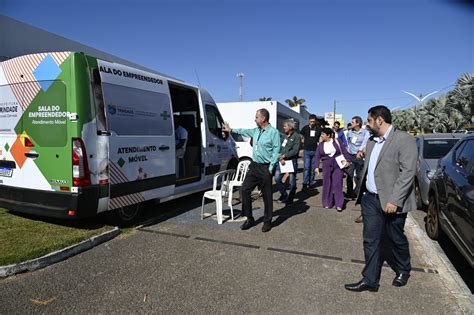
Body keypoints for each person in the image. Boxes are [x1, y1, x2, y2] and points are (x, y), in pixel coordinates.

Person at [345, 105, 417, 292]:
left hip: (392, 201)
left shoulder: (403, 140)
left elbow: (408, 173)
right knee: (371, 240)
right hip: (370, 199)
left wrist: (394, 200)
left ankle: (403, 269)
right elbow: (374, 167)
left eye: (369, 120)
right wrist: (361, 157)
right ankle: (369, 280)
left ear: (380, 120)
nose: (367, 124)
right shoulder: (371, 141)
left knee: (395, 238)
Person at [222, 109, 280, 232]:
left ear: (263, 119)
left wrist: (270, 168)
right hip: (254, 166)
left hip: (265, 167)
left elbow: (276, 151)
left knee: (267, 196)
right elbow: (244, 131)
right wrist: (231, 130)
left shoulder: (273, 132)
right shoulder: (256, 131)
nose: (255, 119)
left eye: (257, 117)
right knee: (244, 189)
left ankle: (267, 221)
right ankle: (249, 218)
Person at [314, 128, 351, 211]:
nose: (321, 136)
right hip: (326, 165)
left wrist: (348, 160)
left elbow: (344, 151)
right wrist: (316, 167)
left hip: (337, 164)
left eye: (323, 134)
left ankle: (339, 204)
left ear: (329, 135)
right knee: (327, 184)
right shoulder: (321, 144)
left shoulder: (337, 141)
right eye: (321, 134)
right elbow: (317, 156)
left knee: (337, 184)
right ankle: (327, 202)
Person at [274, 119, 300, 205]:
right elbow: (280, 147)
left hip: (291, 161)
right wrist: (280, 157)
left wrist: (285, 156)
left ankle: (290, 199)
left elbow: (295, 151)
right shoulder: (284, 136)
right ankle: (284, 194)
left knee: (292, 182)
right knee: (277, 178)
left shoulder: (296, 136)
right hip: (282, 161)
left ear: (290, 127)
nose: (283, 127)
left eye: (285, 126)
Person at [345, 116, 370, 199]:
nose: (351, 123)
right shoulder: (349, 132)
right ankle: (349, 193)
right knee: (349, 175)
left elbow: (366, 143)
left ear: (358, 123)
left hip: (360, 157)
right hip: (350, 156)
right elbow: (348, 143)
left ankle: (357, 192)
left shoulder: (365, 133)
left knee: (360, 176)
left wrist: (361, 151)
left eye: (353, 122)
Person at [300, 114, 322, 190]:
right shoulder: (305, 128)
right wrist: (302, 140)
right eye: (311, 121)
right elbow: (301, 135)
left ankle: (311, 182)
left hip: (315, 151)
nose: (312, 123)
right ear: (309, 120)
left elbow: (321, 138)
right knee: (306, 168)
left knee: (313, 168)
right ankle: (305, 183)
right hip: (306, 150)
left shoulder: (319, 129)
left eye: (313, 121)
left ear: (315, 121)